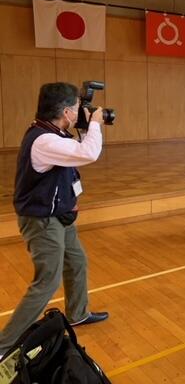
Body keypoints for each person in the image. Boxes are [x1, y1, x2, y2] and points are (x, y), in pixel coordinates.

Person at [0, 83, 108, 358]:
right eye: (77, 108)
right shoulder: (44, 140)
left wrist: (86, 127)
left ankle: (78, 313)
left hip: (58, 215)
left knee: (77, 261)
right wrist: (95, 123)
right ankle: (3, 346)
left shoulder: (53, 132)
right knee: (47, 282)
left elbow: (76, 152)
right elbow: (89, 153)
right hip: (42, 221)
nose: (79, 113)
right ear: (66, 112)